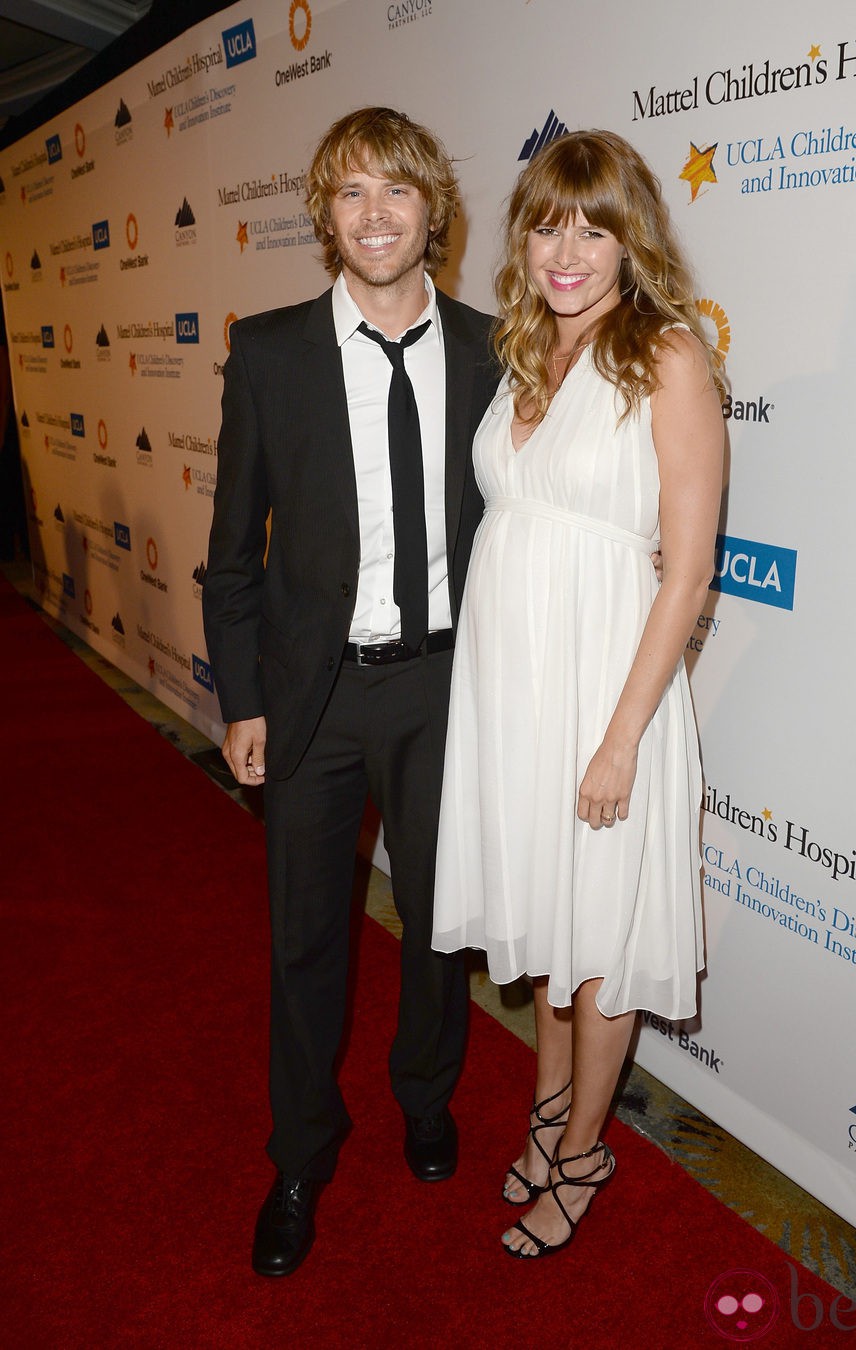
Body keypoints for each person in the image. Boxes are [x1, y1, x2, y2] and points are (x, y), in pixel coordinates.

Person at [203, 107, 498, 1277]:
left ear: (433, 208)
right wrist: (243, 699)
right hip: (311, 701)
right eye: (350, 195)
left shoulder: (491, 346)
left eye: (397, 192)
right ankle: (299, 1156)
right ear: (326, 217)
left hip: (444, 690)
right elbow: (232, 553)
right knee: (304, 941)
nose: (375, 216)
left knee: (440, 925)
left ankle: (425, 1098)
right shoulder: (269, 351)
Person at [432, 129, 725, 1258]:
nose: (567, 249)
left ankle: (585, 1149)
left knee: (597, 938)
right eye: (548, 223)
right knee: (551, 925)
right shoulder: (519, 354)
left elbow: (686, 568)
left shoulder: (667, 359)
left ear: (627, 238)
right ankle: (547, 1111)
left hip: (610, 696)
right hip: (513, 691)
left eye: (593, 226)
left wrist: (618, 741)